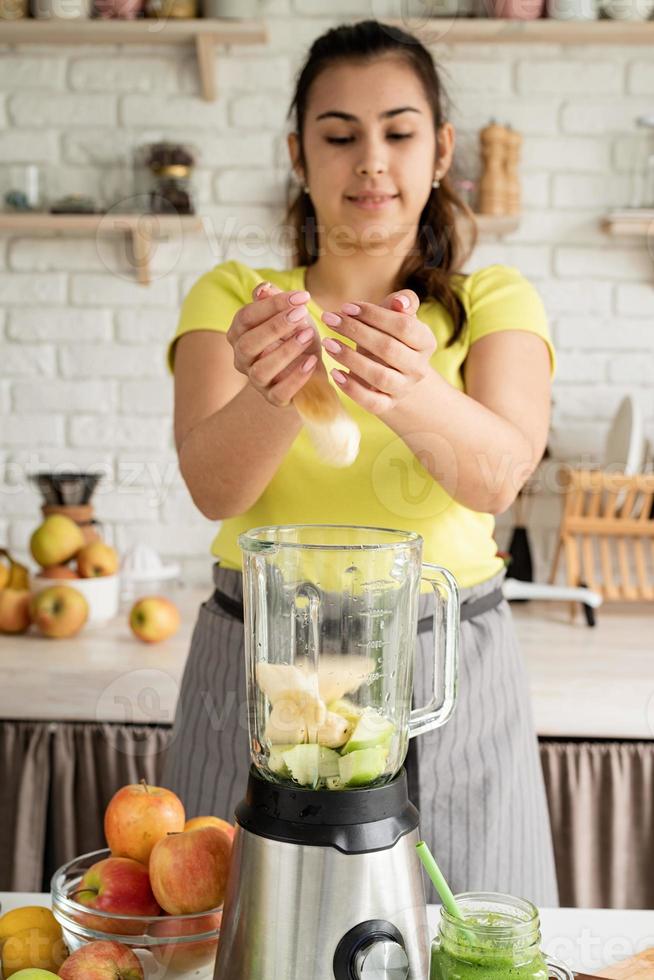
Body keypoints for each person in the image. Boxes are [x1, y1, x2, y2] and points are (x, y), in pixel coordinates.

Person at [161, 18, 559, 906]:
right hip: (259, 665)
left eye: (398, 131)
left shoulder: (496, 300)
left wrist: (406, 386)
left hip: (446, 665)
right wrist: (278, 387)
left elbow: (497, 476)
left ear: (441, 148)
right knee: (232, 936)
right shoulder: (236, 302)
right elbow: (212, 486)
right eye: (339, 136)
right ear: (298, 154)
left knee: (473, 937)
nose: (370, 160)